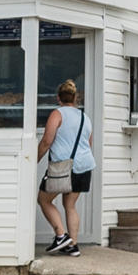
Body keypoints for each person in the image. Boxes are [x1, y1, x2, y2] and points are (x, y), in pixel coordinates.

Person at [37, 80, 95, 257]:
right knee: (70, 205)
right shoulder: (85, 118)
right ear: (75, 98)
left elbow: (47, 141)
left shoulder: (57, 114)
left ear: (58, 98)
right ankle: (73, 245)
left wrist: (33, 160)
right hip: (84, 166)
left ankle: (61, 236)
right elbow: (88, 144)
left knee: (44, 200)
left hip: (63, 167)